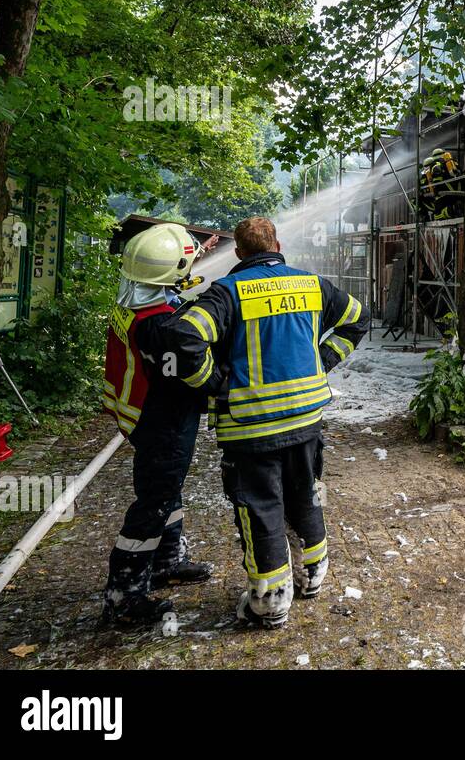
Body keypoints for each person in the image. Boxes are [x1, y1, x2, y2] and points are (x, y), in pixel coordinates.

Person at [162, 216, 368, 629]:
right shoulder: (312, 285)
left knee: (261, 507)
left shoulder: (226, 293)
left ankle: (271, 603)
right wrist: (323, 362)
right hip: (307, 418)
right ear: (277, 243)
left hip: (252, 425)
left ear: (239, 252)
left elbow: (183, 337)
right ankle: (312, 576)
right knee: (306, 494)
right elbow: (358, 318)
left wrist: (215, 382)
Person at [102, 223, 217, 625]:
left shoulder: (132, 301)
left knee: (168, 489)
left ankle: (168, 560)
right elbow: (185, 371)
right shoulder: (162, 326)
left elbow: (168, 293)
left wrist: (197, 255)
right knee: (153, 501)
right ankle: (125, 595)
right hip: (162, 419)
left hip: (135, 412)